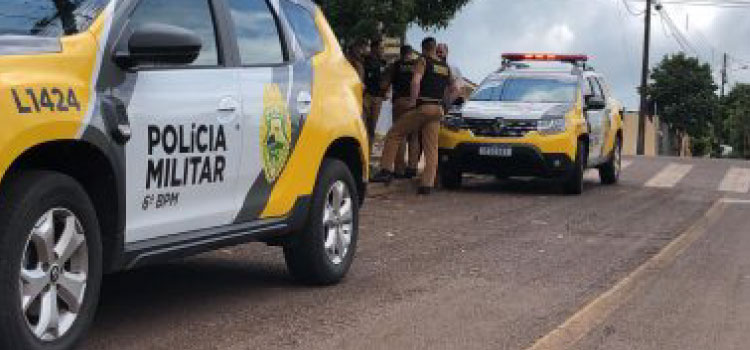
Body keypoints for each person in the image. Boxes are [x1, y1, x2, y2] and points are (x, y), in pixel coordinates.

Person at [372, 37, 459, 195]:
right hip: (438, 109)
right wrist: (446, 104)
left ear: (423, 48)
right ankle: (427, 185)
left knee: (394, 133)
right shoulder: (445, 66)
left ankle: (385, 170)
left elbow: (415, 81)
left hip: (423, 107)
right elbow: (455, 89)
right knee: (431, 148)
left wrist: (413, 101)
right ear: (434, 48)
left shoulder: (423, 61)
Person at [382, 44, 421, 179]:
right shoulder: (418, 65)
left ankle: (399, 169)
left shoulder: (396, 65)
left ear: (401, 53)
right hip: (415, 103)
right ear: (411, 53)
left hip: (400, 102)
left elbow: (384, 84)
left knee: (400, 135)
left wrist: (383, 91)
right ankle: (413, 168)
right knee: (414, 136)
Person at [362, 38, 387, 148]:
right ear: (374, 48)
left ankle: (368, 152)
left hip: (378, 98)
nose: (382, 50)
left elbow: (385, 80)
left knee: (372, 127)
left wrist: (386, 91)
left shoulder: (383, 63)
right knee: (363, 125)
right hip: (366, 96)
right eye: (381, 48)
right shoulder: (365, 61)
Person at [437, 43, 465, 108]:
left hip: (449, 103)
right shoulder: (431, 65)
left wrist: (446, 105)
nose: (438, 54)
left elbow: (460, 88)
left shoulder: (453, 67)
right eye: (437, 52)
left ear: (446, 52)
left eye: (441, 52)